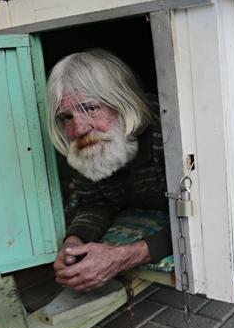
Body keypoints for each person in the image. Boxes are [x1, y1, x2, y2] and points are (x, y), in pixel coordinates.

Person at [46, 50, 169, 292]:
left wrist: (126, 255)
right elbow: (97, 200)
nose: (78, 128)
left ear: (123, 102)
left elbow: (205, 217)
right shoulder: (90, 144)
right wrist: (74, 243)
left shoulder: (171, 130)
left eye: (91, 108)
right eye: (67, 117)